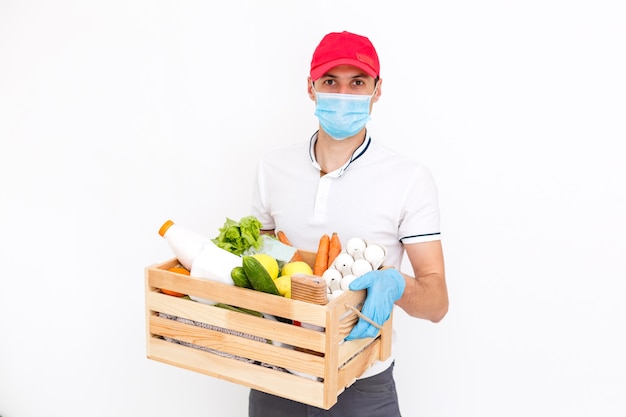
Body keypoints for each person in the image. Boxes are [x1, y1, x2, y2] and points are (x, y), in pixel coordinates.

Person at [248, 30, 449, 417]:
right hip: (275, 376)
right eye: (330, 82)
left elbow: (437, 304)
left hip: (361, 383)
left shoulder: (408, 178)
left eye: (357, 82)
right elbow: (261, 264)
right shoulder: (271, 168)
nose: (343, 94)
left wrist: (396, 284)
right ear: (310, 88)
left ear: (377, 90)